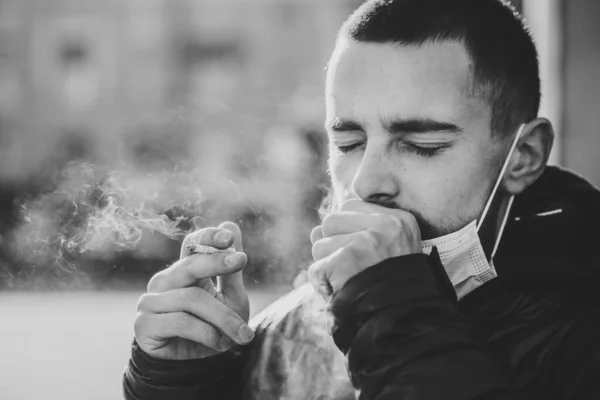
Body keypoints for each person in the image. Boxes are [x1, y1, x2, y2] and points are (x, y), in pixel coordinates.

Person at [123, 0, 600, 399]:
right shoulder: (309, 319)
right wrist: (183, 379)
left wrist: (395, 313)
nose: (367, 182)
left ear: (524, 156)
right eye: (349, 143)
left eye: (421, 145)